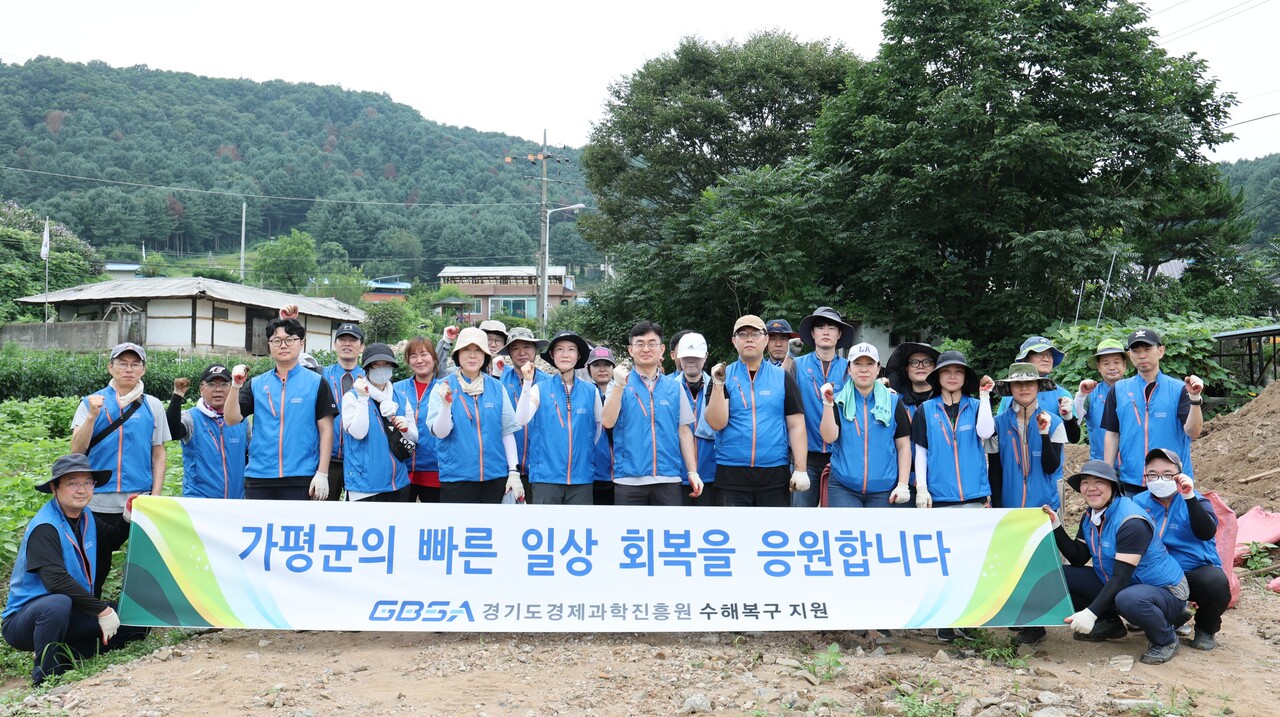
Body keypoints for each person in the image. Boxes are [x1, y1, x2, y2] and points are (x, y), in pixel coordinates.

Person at [3, 454, 147, 685]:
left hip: (71, 610)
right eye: (72, 483)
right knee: (57, 604)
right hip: (27, 620)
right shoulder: (45, 527)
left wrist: (126, 519)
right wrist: (102, 611)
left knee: (135, 624)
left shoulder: (85, 515)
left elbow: (110, 541)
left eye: (87, 483)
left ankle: (66, 655)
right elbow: (55, 581)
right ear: (54, 487)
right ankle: (46, 677)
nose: (81, 490)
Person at [1042, 460, 1189, 665]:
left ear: (1113, 486)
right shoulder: (1091, 516)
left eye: (1099, 481)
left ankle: (1165, 639)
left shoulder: (1131, 522)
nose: (1091, 487)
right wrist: (1055, 526)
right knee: (1063, 576)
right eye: (1085, 482)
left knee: (1129, 599)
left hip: (1165, 591)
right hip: (1125, 585)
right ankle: (1110, 623)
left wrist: (1090, 613)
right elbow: (1077, 557)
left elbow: (1121, 577)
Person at [69, 342, 169, 596]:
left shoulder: (153, 405)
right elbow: (76, 451)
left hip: (138, 501)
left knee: (142, 569)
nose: (129, 369)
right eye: (122, 363)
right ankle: (90, 623)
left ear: (143, 370)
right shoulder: (92, 402)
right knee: (95, 567)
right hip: (97, 502)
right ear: (110, 367)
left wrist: (155, 495)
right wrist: (92, 416)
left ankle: (135, 629)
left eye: (135, 364)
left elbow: (158, 452)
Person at [224, 317, 338, 501]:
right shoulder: (257, 384)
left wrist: (322, 472)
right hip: (259, 476)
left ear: (301, 343)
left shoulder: (316, 383)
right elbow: (231, 419)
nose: (283, 345)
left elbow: (326, 431)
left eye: (290, 339)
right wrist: (236, 386)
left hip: (301, 475)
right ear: (269, 345)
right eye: (276, 340)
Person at [704, 315, 807, 507]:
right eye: (742, 334)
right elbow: (716, 423)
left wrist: (800, 469)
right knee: (734, 535)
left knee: (774, 534)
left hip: (774, 472)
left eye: (755, 334)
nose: (749, 339)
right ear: (734, 341)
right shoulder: (722, 376)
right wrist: (718, 384)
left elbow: (796, 425)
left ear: (765, 339)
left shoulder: (783, 377)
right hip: (731, 474)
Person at [1132, 448, 1229, 651]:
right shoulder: (1137, 503)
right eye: (1153, 474)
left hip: (1192, 570)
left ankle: (1206, 628)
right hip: (1157, 572)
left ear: (1179, 475)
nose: (1159, 480)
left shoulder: (1198, 500)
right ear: (1145, 475)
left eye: (1167, 474)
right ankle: (1172, 617)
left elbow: (1206, 532)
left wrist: (1188, 496)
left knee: (1215, 582)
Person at [601, 320, 704, 506]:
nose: (646, 349)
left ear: (662, 349)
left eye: (652, 344)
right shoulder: (616, 385)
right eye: (639, 344)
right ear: (630, 350)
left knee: (669, 533)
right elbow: (607, 422)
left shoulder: (674, 388)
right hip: (628, 479)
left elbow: (684, 431)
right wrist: (618, 386)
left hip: (668, 478)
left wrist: (692, 471)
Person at [1102, 329, 1205, 495]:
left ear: (1161, 351)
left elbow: (1193, 431)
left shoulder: (1179, 389)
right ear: (1130, 355)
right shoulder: (1118, 390)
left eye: (1147, 349)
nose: (1142, 355)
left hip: (1173, 480)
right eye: (1136, 351)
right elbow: (1112, 434)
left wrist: (1194, 399)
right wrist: (1107, 474)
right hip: (1132, 481)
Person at [427, 327, 522, 503]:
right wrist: (446, 406)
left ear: (486, 355)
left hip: (495, 477)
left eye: (478, 350)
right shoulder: (442, 387)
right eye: (466, 350)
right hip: (457, 478)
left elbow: (507, 431)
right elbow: (441, 433)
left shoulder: (496, 387)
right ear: (457, 354)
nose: (472, 355)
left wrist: (513, 472)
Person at [818, 343, 912, 507]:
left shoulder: (893, 401)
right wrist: (827, 403)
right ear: (849, 369)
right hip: (843, 487)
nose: (863, 369)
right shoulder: (838, 400)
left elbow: (903, 445)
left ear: (878, 369)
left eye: (869, 364)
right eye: (857, 364)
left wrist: (903, 484)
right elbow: (829, 437)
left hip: (884, 489)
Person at [515, 331, 602, 505]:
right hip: (546, 477)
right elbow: (521, 419)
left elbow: (597, 429)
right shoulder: (539, 389)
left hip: (581, 478)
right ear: (552, 355)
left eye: (571, 349)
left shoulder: (591, 391)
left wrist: (583, 453)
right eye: (560, 349)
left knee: (578, 530)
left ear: (578, 356)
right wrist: (527, 382)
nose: (565, 354)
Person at [911, 351, 996, 509]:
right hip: (939, 497)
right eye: (946, 371)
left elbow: (986, 433)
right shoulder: (925, 409)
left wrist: (984, 396)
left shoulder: (977, 406)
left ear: (965, 377)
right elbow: (921, 451)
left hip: (975, 495)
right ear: (938, 376)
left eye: (958, 372)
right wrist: (922, 488)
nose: (952, 376)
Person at [792, 307, 853, 507]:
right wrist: (789, 356)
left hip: (840, 455)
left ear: (839, 334)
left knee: (836, 521)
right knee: (800, 518)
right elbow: (779, 392)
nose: (825, 331)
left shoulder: (850, 369)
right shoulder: (797, 365)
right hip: (805, 456)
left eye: (831, 327)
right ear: (812, 333)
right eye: (820, 327)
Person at [341, 343, 416, 502]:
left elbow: (414, 437)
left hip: (398, 483)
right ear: (367, 368)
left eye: (386, 364)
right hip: (364, 486)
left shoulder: (400, 398)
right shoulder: (352, 397)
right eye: (376, 365)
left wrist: (406, 428)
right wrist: (363, 397)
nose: (382, 368)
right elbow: (359, 433)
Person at [988, 363, 1067, 510]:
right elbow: (994, 470)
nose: (1024, 388)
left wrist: (1044, 434)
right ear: (1010, 388)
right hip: (1008, 508)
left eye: (1029, 383)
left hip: (1045, 508)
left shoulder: (1055, 423)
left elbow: (1051, 467)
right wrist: (998, 508)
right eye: (1017, 384)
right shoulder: (997, 425)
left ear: (1038, 386)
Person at [167, 364, 249, 499]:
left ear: (232, 386)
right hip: (200, 503)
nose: (218, 390)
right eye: (211, 384)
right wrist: (177, 396)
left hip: (237, 501)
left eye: (224, 384)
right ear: (201, 388)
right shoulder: (191, 417)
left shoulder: (242, 420)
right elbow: (172, 432)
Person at [884, 342, 941, 508]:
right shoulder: (894, 402)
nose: (920, 367)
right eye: (914, 362)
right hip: (901, 483)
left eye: (927, 362)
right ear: (907, 369)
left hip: (939, 482)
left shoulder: (945, 403)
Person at [499, 327, 552, 499]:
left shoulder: (549, 384)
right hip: (507, 469)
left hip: (542, 469)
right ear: (509, 352)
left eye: (527, 347)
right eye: (515, 348)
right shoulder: (499, 384)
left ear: (535, 350)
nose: (522, 353)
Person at [394, 335, 447, 503]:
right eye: (413, 356)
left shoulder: (444, 388)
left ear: (434, 358)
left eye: (424, 354)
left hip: (435, 471)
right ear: (408, 361)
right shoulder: (396, 389)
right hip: (402, 471)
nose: (419, 360)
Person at [996, 336, 1080, 443]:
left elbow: (1073, 438)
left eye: (1049, 354)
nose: (1046, 358)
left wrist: (1068, 418)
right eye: (1040, 354)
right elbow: (999, 430)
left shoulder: (1062, 395)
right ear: (1025, 359)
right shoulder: (1010, 394)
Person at [321, 321, 366, 501]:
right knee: (322, 511)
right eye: (342, 339)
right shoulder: (320, 375)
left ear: (362, 346)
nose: (347, 344)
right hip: (327, 459)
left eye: (353, 340)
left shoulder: (369, 378)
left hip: (358, 459)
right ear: (334, 345)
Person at [674, 332, 718, 506]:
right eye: (686, 357)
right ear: (678, 357)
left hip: (712, 473)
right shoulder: (668, 388)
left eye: (696, 357)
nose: (690, 361)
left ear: (705, 357)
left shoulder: (719, 386)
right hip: (676, 475)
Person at [1074, 339, 1128, 462]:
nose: (1112, 367)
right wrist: (1081, 395)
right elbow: (1076, 419)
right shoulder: (1091, 392)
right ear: (1098, 367)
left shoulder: (1136, 390)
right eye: (1106, 363)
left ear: (1124, 364)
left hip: (1131, 463)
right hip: (1100, 462)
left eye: (1116, 362)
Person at [586, 346, 618, 506]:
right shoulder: (584, 394)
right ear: (588, 369)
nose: (602, 369)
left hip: (622, 475)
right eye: (597, 365)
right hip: (593, 474)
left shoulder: (623, 393)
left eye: (607, 364)